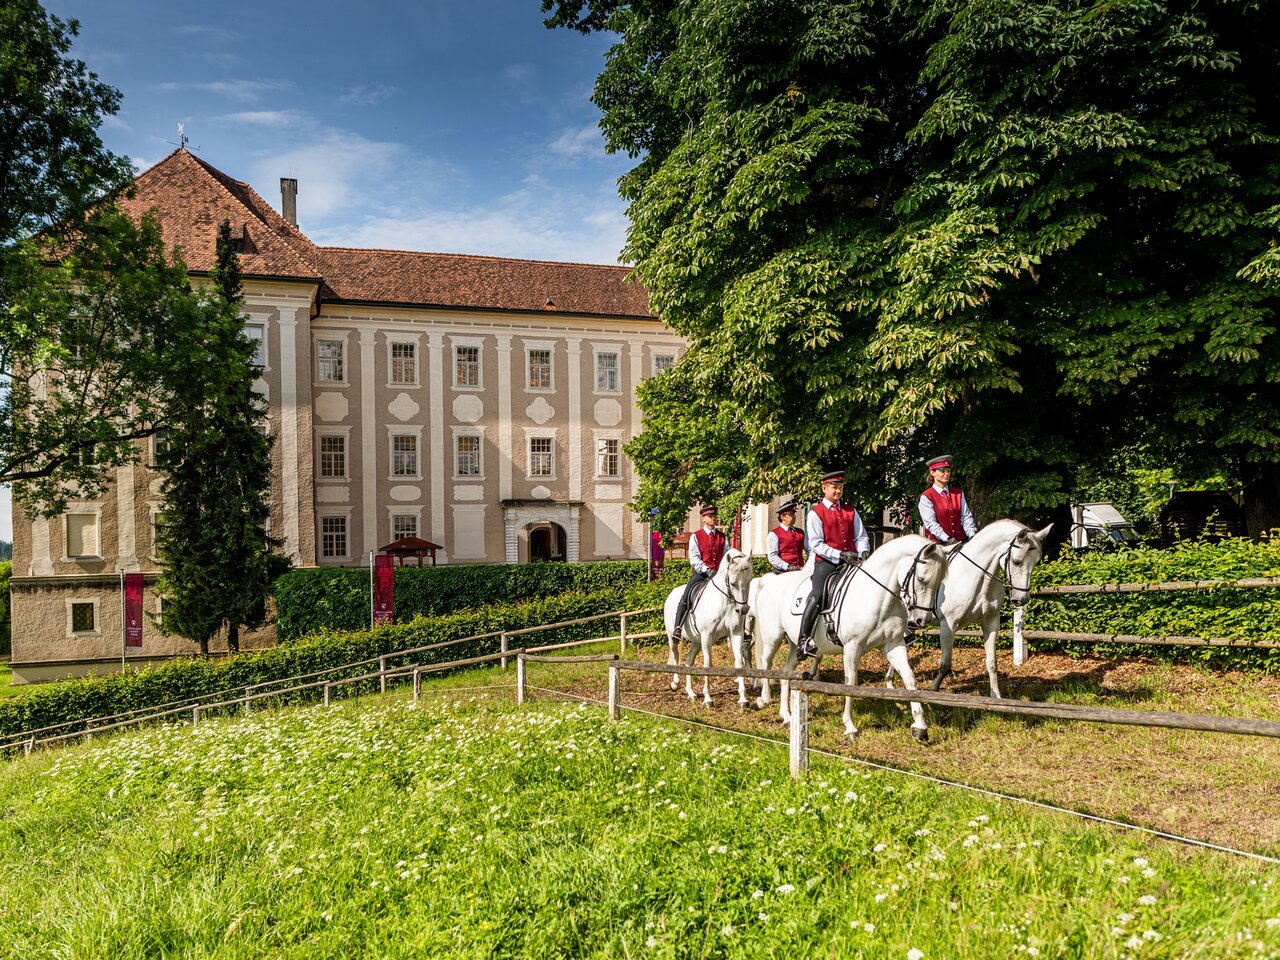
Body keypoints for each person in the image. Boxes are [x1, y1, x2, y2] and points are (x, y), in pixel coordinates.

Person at [796, 470, 870, 657]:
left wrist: (863, 552)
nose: (838, 491)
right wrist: (840, 554)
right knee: (818, 594)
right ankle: (804, 639)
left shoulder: (850, 511)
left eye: (840, 487)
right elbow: (816, 545)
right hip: (827, 563)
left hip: (853, 561)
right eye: (834, 487)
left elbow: (861, 536)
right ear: (824, 488)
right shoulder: (815, 513)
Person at [670, 505, 728, 643]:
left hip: (719, 575)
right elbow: (694, 558)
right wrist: (707, 570)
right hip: (701, 574)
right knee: (687, 595)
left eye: (714, 516)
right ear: (703, 519)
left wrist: (723, 570)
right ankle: (678, 627)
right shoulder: (696, 536)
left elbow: (727, 555)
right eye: (710, 516)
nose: (713, 519)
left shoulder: (723, 536)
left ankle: (741, 627)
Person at [918, 454, 978, 544]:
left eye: (948, 471)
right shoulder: (926, 497)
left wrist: (972, 536)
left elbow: (966, 517)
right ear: (932, 472)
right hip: (937, 545)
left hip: (960, 542)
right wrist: (947, 539)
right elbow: (931, 524)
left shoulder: (958, 493)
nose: (946, 474)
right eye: (942, 471)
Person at [767, 499, 808, 573]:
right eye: (791, 514)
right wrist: (788, 567)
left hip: (800, 570)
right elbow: (772, 557)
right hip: (781, 572)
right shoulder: (774, 534)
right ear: (783, 517)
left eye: (794, 514)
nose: (794, 516)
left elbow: (809, 550)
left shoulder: (800, 532)